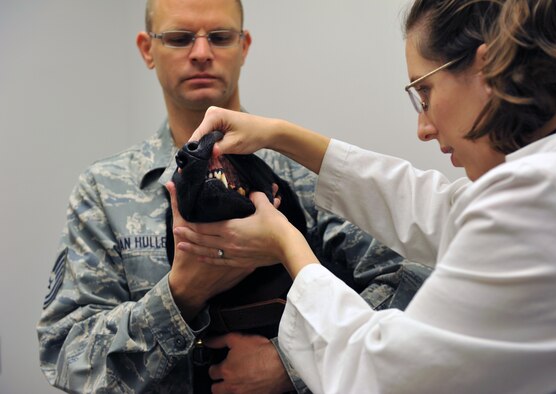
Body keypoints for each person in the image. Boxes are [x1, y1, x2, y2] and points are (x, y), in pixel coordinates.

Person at [171, 0, 556, 392]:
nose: (423, 128)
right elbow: (441, 210)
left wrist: (287, 245)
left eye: (424, 93)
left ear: (486, 69)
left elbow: (379, 375)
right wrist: (281, 135)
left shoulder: (543, 195)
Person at [36, 0, 431, 393]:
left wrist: (292, 361)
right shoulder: (105, 191)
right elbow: (65, 354)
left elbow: (417, 287)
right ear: (147, 49)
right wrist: (183, 294)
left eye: (220, 37)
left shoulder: (303, 174)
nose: (202, 53)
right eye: (179, 38)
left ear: (244, 46)